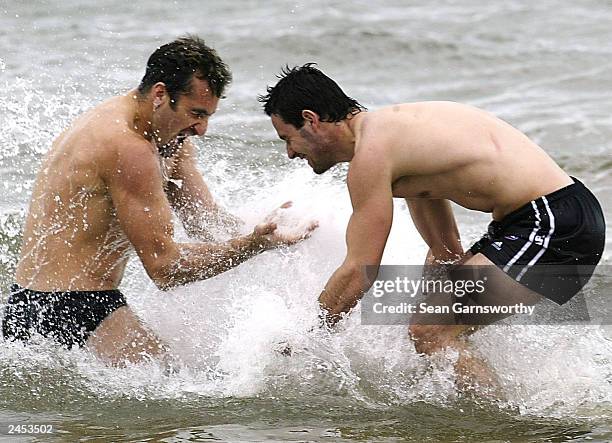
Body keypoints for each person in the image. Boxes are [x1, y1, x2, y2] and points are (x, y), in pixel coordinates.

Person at [258, 64, 606, 390]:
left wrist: (311, 334)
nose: (290, 153)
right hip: (552, 216)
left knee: (430, 331)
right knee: (434, 326)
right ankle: (496, 413)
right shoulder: (394, 139)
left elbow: (360, 271)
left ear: (311, 120)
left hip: (550, 221)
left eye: (287, 138)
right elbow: (445, 250)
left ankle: (509, 429)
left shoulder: (372, 156)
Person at [2, 37, 315, 365]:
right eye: (196, 113)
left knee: (166, 391)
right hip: (60, 307)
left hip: (75, 302)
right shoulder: (126, 146)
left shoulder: (169, 137)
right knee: (172, 388)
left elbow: (202, 219)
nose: (203, 129)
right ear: (160, 95)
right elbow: (164, 268)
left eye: (208, 116)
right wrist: (251, 246)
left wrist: (264, 229)